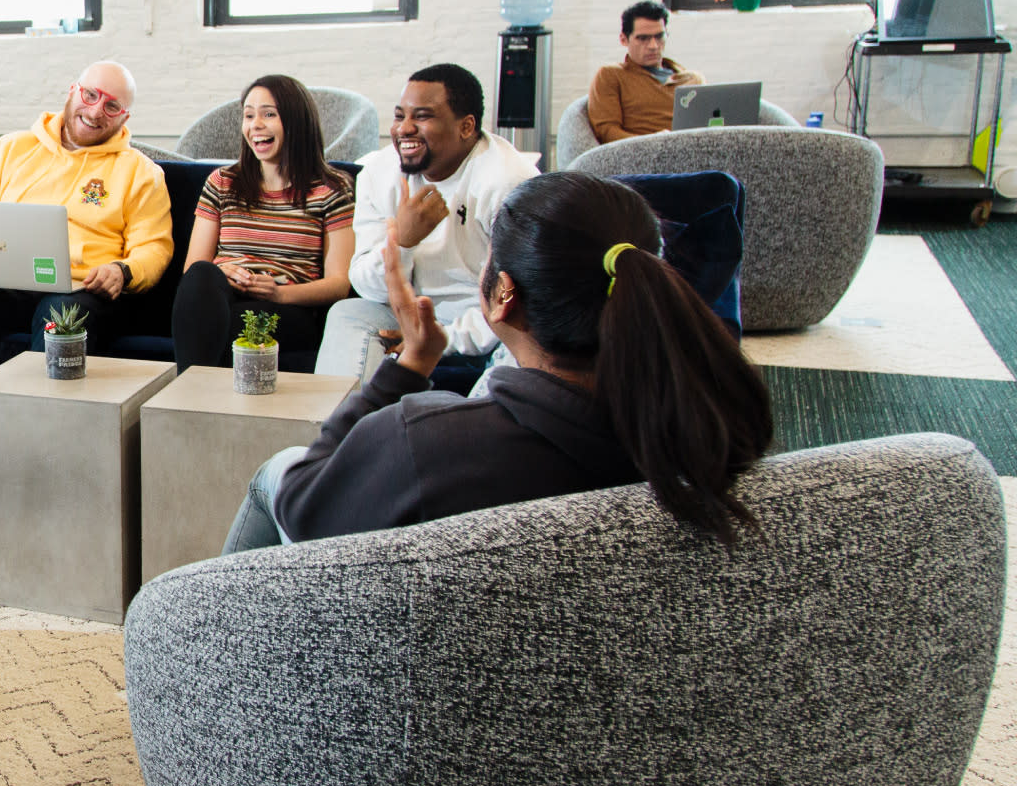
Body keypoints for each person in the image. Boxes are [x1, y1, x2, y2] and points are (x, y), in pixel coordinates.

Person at [223, 171, 771, 553]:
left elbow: (305, 508)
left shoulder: (428, 441)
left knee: (281, 470)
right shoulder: (714, 425)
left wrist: (406, 369)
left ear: (503, 292)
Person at [0, 61, 173, 533]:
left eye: (112, 105)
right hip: (2, 279)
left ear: (124, 118)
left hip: (78, 289)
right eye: (90, 95)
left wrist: (124, 270)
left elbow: (156, 246)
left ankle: (30, 460)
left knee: (61, 318)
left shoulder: (140, 174)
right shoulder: (12, 149)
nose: (96, 111)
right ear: (72, 91)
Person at [313, 63, 537, 384]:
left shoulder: (509, 184)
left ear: (466, 127)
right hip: (405, 310)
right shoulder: (379, 172)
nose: (404, 129)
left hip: (488, 321)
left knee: (527, 344)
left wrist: (439, 339)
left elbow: (514, 300)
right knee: (348, 314)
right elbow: (366, 286)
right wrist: (401, 243)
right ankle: (339, 430)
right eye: (399, 116)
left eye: (422, 116)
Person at [172, 75, 354, 371]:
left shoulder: (331, 190)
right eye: (248, 115)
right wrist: (223, 271)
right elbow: (193, 267)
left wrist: (279, 293)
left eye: (269, 114)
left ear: (296, 121)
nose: (255, 124)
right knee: (203, 277)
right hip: (221, 295)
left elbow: (339, 284)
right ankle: (195, 400)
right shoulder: (222, 182)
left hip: (287, 306)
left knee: (211, 325)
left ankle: (189, 402)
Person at [586, 0, 705, 143]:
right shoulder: (611, 75)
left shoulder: (692, 79)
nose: (653, 46)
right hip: (644, 156)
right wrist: (652, 142)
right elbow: (606, 132)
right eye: (643, 39)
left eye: (659, 37)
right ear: (624, 39)